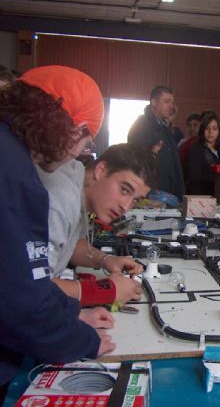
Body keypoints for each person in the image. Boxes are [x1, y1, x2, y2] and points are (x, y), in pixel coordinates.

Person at [0, 65, 115, 402]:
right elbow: (21, 306)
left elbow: (22, 279)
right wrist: (84, 340)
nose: (79, 154)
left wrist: (70, 314)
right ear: (75, 130)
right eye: (85, 142)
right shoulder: (16, 175)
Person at [38, 143, 157, 306]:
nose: (126, 206)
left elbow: (69, 243)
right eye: (124, 189)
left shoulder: (78, 179)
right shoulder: (60, 200)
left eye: (135, 199)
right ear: (100, 170)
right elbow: (34, 287)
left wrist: (106, 260)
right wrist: (105, 290)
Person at [127, 85, 185, 200]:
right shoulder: (141, 125)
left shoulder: (165, 128)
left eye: (172, 102)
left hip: (170, 193)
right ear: (154, 102)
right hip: (152, 195)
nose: (171, 107)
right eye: (167, 102)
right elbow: (136, 161)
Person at [184, 113, 220, 195]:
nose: (210, 132)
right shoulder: (195, 149)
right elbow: (195, 177)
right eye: (207, 128)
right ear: (202, 130)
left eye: (214, 128)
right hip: (200, 196)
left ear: (219, 131)